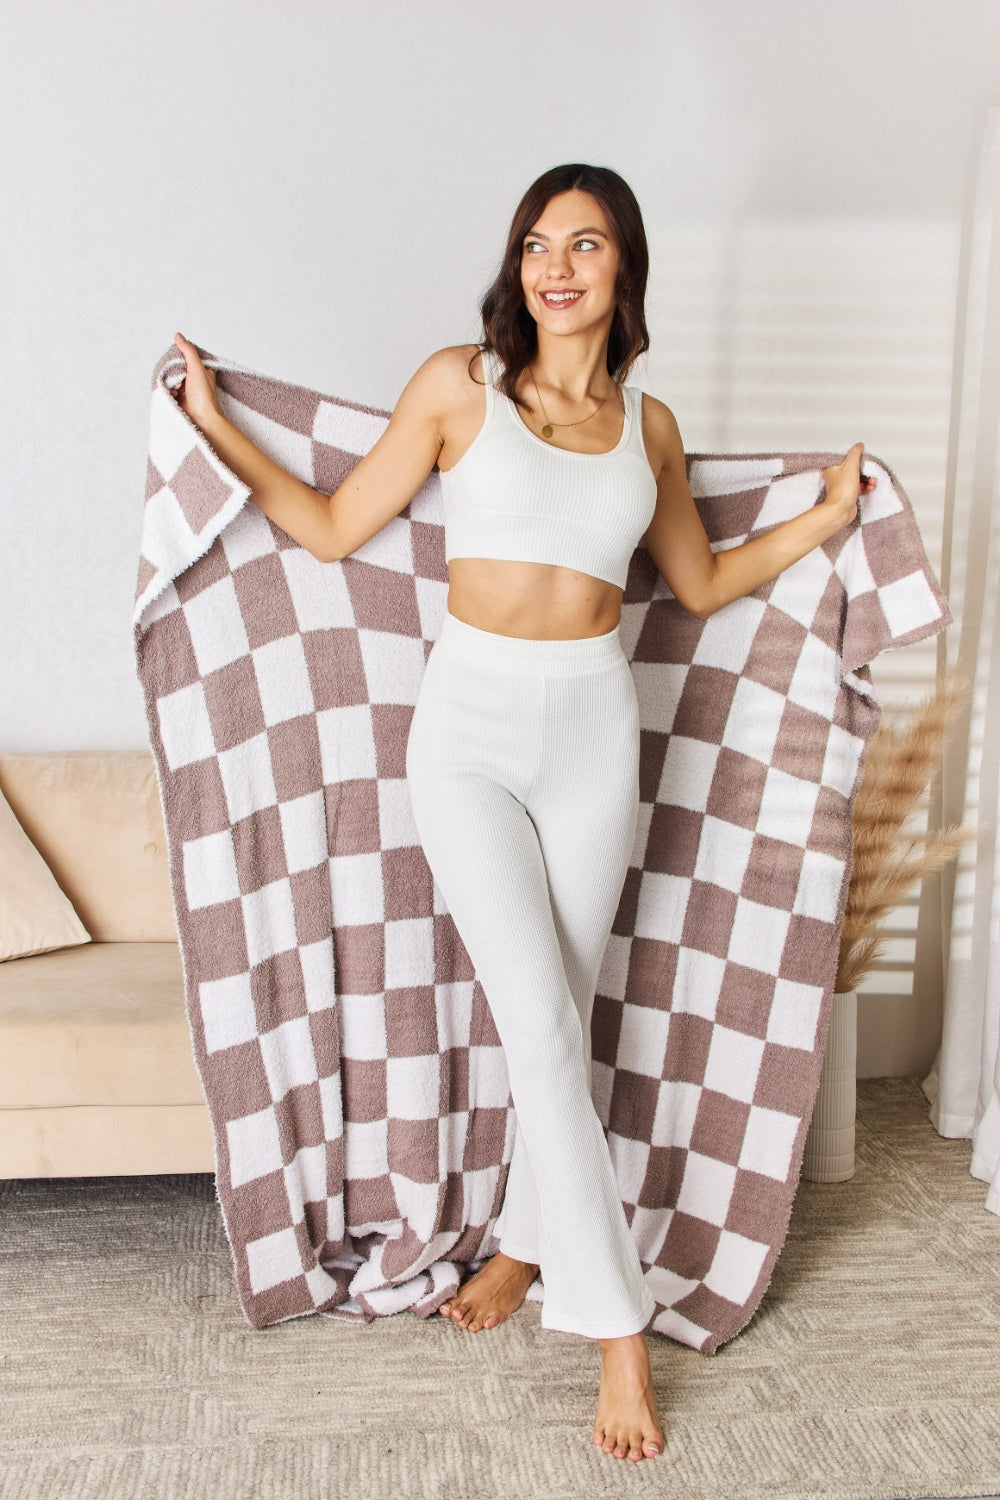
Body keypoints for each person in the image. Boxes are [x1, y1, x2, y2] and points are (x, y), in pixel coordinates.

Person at [171, 162, 874, 1464]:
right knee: (545, 1027)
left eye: (587, 244)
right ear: (518, 267)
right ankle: (619, 1332)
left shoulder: (646, 427)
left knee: (567, 1008)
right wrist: (217, 426)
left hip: (597, 731)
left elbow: (703, 584)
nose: (557, 265)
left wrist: (828, 518)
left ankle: (527, 1244)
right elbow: (330, 528)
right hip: (473, 737)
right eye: (538, 244)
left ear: (624, 273)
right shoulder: (459, 387)